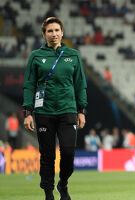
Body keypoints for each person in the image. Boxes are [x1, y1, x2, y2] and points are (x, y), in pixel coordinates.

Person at [22, 17, 87, 200]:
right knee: (47, 155)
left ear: (62, 32)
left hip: (68, 110)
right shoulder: (36, 56)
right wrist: (28, 113)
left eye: (57, 30)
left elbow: (80, 84)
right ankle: (48, 193)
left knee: (68, 152)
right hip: (44, 112)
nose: (54, 34)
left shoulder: (73, 55)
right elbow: (29, 85)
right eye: (50, 31)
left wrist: (82, 110)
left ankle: (63, 183)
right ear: (44, 34)